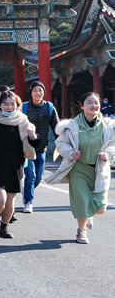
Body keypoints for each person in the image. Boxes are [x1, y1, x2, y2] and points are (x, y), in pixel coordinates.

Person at [45, 92, 115, 244]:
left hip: (99, 168)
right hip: (79, 168)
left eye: (96, 102)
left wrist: (108, 156)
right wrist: (71, 153)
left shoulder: (108, 126)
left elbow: (112, 145)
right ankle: (81, 231)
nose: (93, 105)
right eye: (89, 102)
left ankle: (90, 215)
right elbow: (61, 143)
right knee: (82, 202)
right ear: (82, 106)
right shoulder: (71, 126)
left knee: (101, 207)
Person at [0, 91, 39, 239]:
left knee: (11, 199)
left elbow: (35, 143)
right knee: (1, 199)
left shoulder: (24, 121)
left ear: (17, 105)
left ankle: (4, 227)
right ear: (0, 105)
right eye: (6, 104)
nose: (9, 107)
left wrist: (32, 136)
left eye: (12, 104)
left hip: (15, 164)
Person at [22, 80, 59, 213]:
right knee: (30, 175)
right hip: (27, 147)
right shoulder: (24, 107)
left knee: (38, 178)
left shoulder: (49, 107)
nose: (38, 93)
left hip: (42, 147)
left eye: (40, 90)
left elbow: (56, 127)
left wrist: (61, 144)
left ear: (44, 92)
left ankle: (27, 190)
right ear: (31, 93)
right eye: (35, 90)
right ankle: (28, 201)